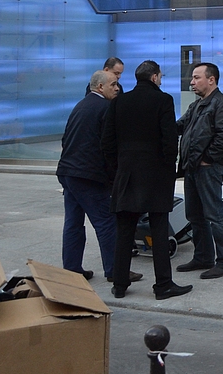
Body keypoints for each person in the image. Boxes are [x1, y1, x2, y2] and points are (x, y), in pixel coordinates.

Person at [101, 60, 192, 300]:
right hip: (155, 176)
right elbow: (169, 141)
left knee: (124, 231)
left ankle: (119, 285)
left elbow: (107, 142)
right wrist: (168, 169)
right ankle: (163, 285)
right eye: (160, 76)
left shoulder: (120, 101)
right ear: (153, 78)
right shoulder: (163, 101)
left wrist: (118, 169)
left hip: (127, 175)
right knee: (159, 231)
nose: (161, 80)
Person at [56, 69, 141, 283]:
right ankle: (116, 270)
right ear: (100, 87)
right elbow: (109, 146)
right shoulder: (106, 107)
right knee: (106, 222)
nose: (117, 88)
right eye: (113, 84)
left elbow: (66, 139)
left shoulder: (82, 105)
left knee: (73, 223)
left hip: (69, 171)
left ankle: (72, 268)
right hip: (88, 175)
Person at [176, 62, 223, 279]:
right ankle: (203, 256)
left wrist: (207, 160)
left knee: (214, 214)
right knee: (194, 214)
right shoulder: (196, 106)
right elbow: (180, 126)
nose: (192, 82)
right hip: (192, 167)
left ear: (211, 79)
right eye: (192, 78)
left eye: (196, 78)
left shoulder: (222, 104)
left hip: (208, 168)